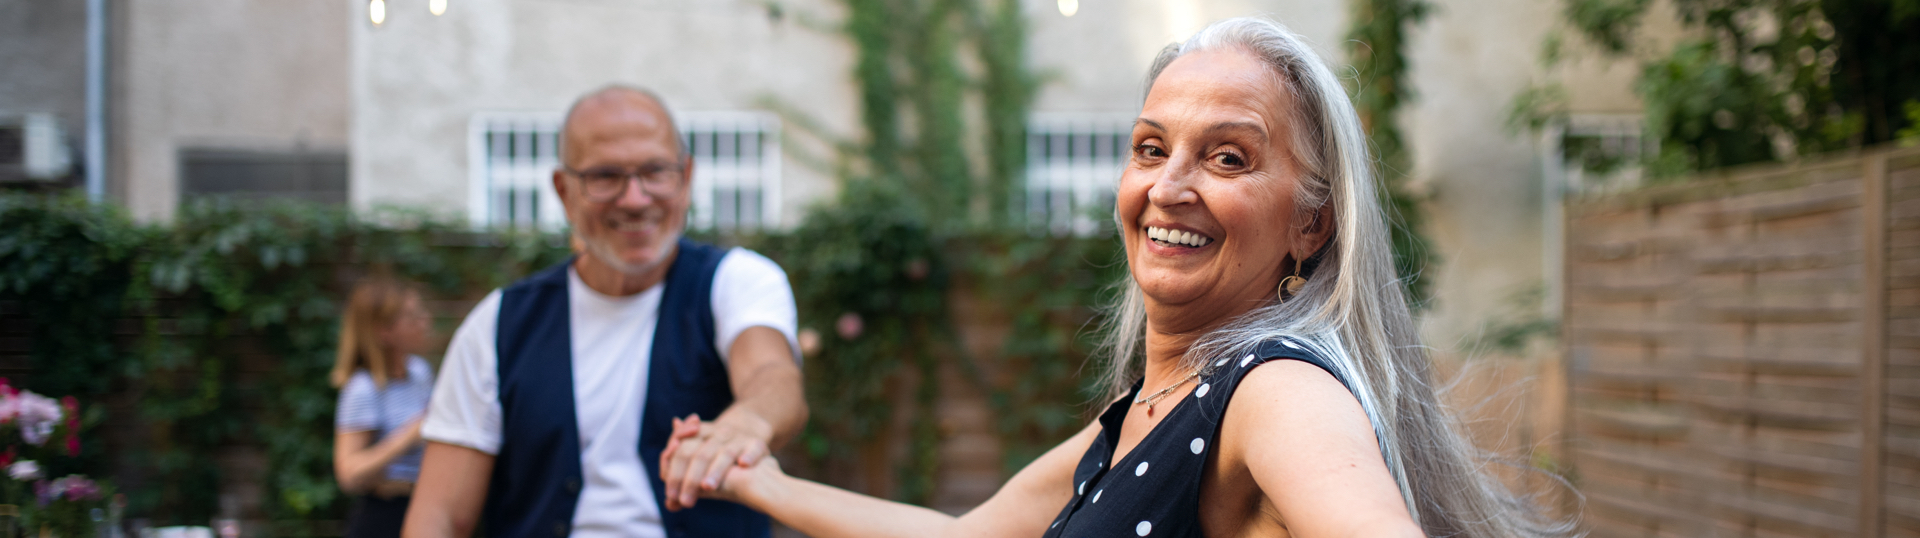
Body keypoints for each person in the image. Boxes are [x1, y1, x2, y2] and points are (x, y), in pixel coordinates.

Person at [676, 17, 1576, 538]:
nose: (1169, 187)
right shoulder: (1151, 415)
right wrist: (759, 481)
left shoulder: (1275, 391)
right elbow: (966, 537)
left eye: (1228, 157)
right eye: (1151, 148)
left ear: (1312, 221)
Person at [400, 85, 807, 538]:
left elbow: (773, 377)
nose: (635, 199)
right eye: (606, 176)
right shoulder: (498, 324)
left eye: (656, 172)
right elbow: (439, 516)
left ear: (686, 177)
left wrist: (746, 423)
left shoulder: (737, 280)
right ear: (563, 190)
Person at [332, 276, 436, 538]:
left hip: (424, 509)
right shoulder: (364, 388)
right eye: (413, 317)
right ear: (384, 331)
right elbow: (349, 474)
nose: (425, 322)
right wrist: (409, 436)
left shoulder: (420, 372)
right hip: (383, 518)